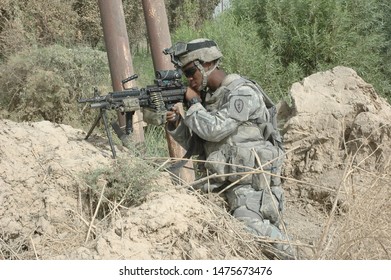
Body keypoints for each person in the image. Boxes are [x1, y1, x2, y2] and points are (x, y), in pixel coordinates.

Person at [163, 38, 294, 259]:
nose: (189, 80)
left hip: (251, 187)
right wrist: (176, 124)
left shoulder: (242, 93)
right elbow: (199, 144)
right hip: (220, 184)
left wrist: (194, 104)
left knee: (249, 229)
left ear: (206, 64)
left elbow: (215, 130)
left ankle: (297, 259)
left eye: (190, 72)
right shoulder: (209, 99)